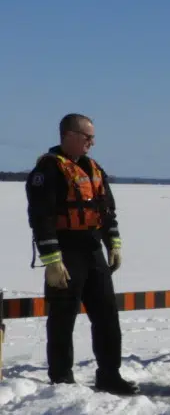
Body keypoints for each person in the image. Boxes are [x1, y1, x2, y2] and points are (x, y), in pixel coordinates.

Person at [25, 113, 135, 394]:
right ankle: (61, 378)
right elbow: (41, 217)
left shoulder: (93, 168)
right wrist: (52, 261)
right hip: (65, 252)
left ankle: (109, 374)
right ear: (69, 136)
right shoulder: (48, 170)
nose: (92, 143)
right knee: (63, 316)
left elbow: (106, 209)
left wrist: (114, 244)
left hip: (92, 250)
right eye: (87, 138)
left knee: (107, 315)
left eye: (93, 138)